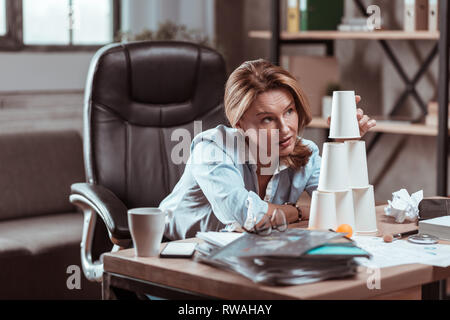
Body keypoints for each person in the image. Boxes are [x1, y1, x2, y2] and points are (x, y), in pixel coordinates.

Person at [160, 59, 376, 240]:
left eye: (289, 111)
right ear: (239, 123)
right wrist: (300, 211)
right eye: (267, 119)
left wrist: (345, 146)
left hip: (242, 249)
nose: (285, 128)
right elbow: (248, 217)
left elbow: (341, 209)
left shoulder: (304, 152)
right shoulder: (212, 149)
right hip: (168, 255)